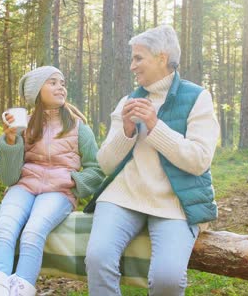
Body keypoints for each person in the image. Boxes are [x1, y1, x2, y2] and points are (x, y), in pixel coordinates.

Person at [84, 25, 220, 295]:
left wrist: (155, 126)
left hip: (174, 202)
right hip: (124, 196)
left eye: (138, 58)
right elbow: (107, 164)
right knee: (98, 258)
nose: (132, 66)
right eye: (132, 59)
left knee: (167, 279)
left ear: (161, 57)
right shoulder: (128, 100)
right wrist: (126, 131)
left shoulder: (198, 97)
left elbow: (200, 160)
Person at [0, 66, 104, 296]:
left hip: (58, 192)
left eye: (62, 82)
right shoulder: (25, 126)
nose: (60, 86)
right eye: (52, 82)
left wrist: (74, 181)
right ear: (36, 91)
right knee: (5, 227)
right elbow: (7, 177)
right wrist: (10, 139)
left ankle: (21, 289)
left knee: (33, 232)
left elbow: (96, 169)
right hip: (24, 186)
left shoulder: (79, 128)